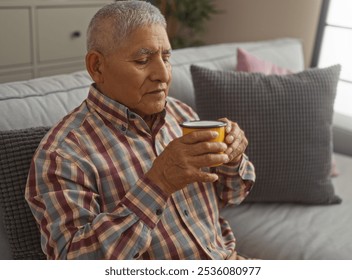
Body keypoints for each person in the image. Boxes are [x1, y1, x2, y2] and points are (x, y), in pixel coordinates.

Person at [25, 0, 255, 260]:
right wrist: (158, 184)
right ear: (97, 67)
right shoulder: (62, 155)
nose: (164, 75)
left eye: (166, 58)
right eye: (143, 60)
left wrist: (233, 158)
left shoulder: (182, 115)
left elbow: (231, 195)